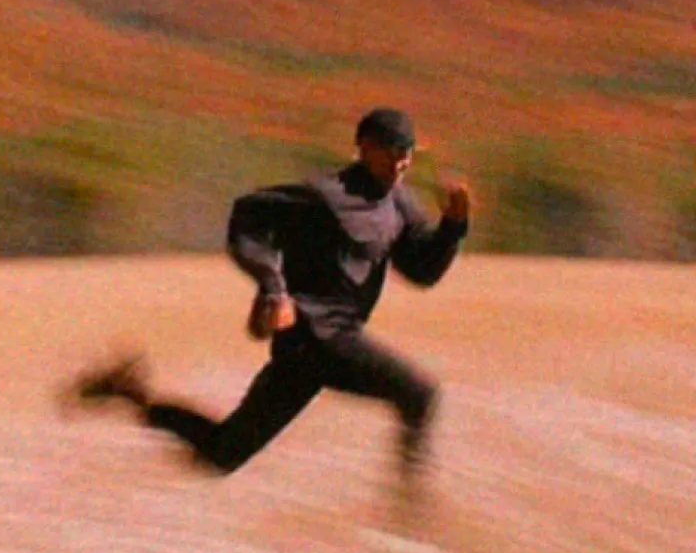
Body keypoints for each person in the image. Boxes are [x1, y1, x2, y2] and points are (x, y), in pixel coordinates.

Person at [74, 107, 469, 476]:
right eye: (391, 150)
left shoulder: (398, 203)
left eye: (408, 152)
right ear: (364, 147)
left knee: (222, 454)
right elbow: (246, 218)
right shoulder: (325, 197)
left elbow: (422, 271)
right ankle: (407, 511)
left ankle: (130, 394)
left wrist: (452, 225)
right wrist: (273, 289)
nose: (400, 161)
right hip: (316, 337)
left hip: (317, 348)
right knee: (420, 395)